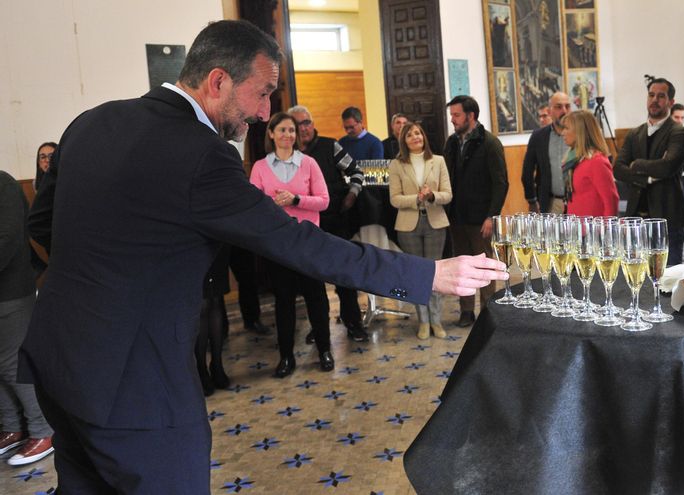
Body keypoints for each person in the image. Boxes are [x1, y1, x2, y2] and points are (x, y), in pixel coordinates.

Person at [23, 20, 506, 493]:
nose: (265, 112)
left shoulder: (92, 121)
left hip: (59, 362)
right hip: (136, 381)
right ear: (218, 80)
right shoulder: (202, 154)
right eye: (262, 92)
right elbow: (299, 243)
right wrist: (426, 274)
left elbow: (43, 224)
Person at [251, 111, 334, 376]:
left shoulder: (308, 163)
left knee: (316, 299)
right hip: (279, 246)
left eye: (292, 131)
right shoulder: (260, 167)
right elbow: (253, 205)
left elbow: (324, 200)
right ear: (272, 134)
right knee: (284, 301)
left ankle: (325, 350)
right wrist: (270, 205)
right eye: (282, 130)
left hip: (309, 243)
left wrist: (296, 199)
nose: (288, 135)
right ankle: (286, 357)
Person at [289, 104, 369, 342]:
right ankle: (319, 326)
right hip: (306, 226)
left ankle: (353, 322)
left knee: (344, 274)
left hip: (335, 220)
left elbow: (356, 172)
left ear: (312, 124)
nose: (303, 128)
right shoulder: (290, 154)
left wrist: (352, 195)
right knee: (312, 280)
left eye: (306, 122)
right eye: (298, 124)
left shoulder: (329, 145)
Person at [0, 171, 54, 466]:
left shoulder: (4, 184)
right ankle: (12, 427)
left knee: (14, 366)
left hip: (10, 292)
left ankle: (43, 431)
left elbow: (7, 239)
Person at [444, 95, 509, 327]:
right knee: (462, 264)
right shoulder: (451, 143)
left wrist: (491, 215)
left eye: (457, 115)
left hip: (481, 218)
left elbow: (501, 183)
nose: (453, 120)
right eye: (451, 115)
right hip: (457, 216)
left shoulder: (490, 143)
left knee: (483, 264)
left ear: (471, 116)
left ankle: (488, 311)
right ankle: (466, 311)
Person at [613, 77, 684, 265]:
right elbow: (618, 169)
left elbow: (668, 166)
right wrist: (648, 177)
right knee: (636, 279)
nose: (655, 100)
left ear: (671, 102)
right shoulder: (634, 133)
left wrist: (637, 165)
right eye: (651, 95)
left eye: (661, 96)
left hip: (667, 219)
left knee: (667, 280)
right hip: (636, 221)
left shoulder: (679, 132)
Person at [389, 122, 452, 339]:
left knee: (435, 273)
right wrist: (416, 198)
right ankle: (423, 321)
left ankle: (436, 320)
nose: (415, 137)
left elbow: (448, 194)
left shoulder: (439, 161)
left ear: (423, 137)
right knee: (416, 274)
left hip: (435, 223)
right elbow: (394, 199)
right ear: (403, 141)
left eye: (418, 133)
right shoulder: (396, 165)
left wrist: (432, 195)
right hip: (408, 225)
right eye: (409, 135)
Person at [560, 110, 619, 216]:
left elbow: (611, 200)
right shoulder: (572, 160)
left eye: (566, 128)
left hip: (594, 230)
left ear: (580, 131)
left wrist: (607, 230)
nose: (562, 132)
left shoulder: (597, 162)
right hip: (576, 228)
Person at [522, 92, 572, 213]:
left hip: (576, 201)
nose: (564, 111)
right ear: (550, 111)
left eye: (567, 106)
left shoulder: (580, 134)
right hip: (550, 203)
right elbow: (527, 171)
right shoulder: (538, 136)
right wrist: (532, 200)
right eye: (559, 107)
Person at [195, 247, 231, 396]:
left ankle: (217, 364)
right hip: (194, 246)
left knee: (216, 301)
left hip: (216, 243)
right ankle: (201, 369)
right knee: (203, 305)